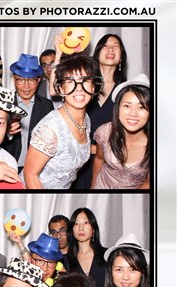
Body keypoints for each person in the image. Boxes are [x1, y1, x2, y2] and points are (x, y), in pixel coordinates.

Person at [23, 55, 102, 189]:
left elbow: (73, 149)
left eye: (85, 80)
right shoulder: (49, 129)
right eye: (70, 81)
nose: (79, 88)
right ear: (60, 89)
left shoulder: (86, 119)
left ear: (93, 87)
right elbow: (30, 174)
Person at [72, 34, 129, 189]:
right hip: (78, 162)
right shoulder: (82, 86)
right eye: (105, 45)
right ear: (97, 53)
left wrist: (101, 151)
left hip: (111, 166)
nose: (110, 49)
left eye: (116, 46)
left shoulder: (126, 91)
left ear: (121, 57)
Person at [92, 74, 150, 189]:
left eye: (141, 107)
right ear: (117, 108)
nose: (133, 114)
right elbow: (99, 159)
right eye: (127, 106)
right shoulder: (105, 132)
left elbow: (148, 183)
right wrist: (93, 187)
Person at [2, 53, 54, 171]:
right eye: (21, 80)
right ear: (14, 80)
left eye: (31, 80)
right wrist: (6, 132)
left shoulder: (47, 106)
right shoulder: (3, 104)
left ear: (38, 80)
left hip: (37, 168)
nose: (26, 86)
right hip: (7, 167)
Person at [67, 207, 106, 287]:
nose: (81, 228)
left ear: (93, 229)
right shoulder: (66, 260)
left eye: (86, 222)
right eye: (76, 224)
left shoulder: (107, 255)